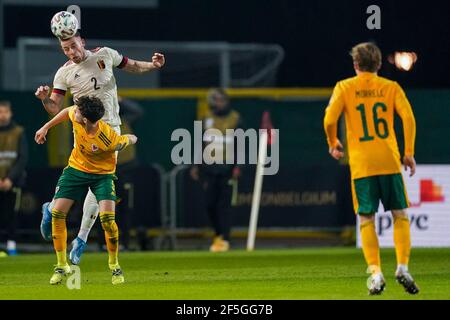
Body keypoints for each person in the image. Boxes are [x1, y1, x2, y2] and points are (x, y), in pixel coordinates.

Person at [34, 29, 164, 264]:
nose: (71, 52)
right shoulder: (64, 73)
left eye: (73, 46)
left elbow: (132, 65)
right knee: (91, 178)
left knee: (99, 181)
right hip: (84, 129)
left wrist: (153, 65)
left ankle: (79, 236)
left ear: (81, 41)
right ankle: (65, 221)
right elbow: (55, 106)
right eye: (65, 49)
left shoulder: (104, 54)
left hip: (111, 128)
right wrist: (44, 98)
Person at [323, 42, 419, 295]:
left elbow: (329, 118)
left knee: (366, 218)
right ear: (378, 64)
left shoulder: (345, 87)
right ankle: (402, 266)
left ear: (355, 64)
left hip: (362, 163)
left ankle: (376, 274)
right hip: (388, 159)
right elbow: (408, 118)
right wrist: (408, 152)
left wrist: (333, 143)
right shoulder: (391, 87)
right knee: (400, 214)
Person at [35, 96, 137, 285]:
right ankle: (61, 265)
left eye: (79, 111)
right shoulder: (77, 115)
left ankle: (115, 266)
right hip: (76, 170)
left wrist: (131, 138)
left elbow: (126, 140)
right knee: (58, 213)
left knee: (108, 221)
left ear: (85, 119)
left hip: (102, 176)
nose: (76, 110)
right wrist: (46, 127)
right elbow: (66, 112)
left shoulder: (107, 139)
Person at [190, 88, 244, 252]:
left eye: (222, 100)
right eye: (216, 100)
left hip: (228, 167)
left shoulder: (235, 118)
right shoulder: (207, 118)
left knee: (225, 205)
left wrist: (238, 166)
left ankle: (225, 238)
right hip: (209, 167)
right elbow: (200, 142)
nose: (219, 103)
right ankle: (219, 234)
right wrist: (196, 165)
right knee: (209, 204)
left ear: (227, 101)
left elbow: (242, 144)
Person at [0, 101, 28, 256]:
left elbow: (22, 158)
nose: (2, 115)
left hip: (13, 182)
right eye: (0, 112)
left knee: (11, 213)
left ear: (10, 114)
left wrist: (10, 179)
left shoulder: (18, 132)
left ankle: (11, 245)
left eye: (5, 112)